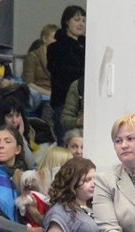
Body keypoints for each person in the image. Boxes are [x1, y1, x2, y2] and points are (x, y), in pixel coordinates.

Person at [47, 5, 85, 143]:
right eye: (77, 19)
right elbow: (60, 73)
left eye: (83, 20)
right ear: (66, 22)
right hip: (63, 101)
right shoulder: (55, 48)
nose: (81, 23)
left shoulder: (88, 45)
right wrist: (84, 73)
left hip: (84, 101)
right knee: (66, 143)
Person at [23, 23, 57, 128]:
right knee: (49, 106)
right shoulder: (32, 57)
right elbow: (29, 83)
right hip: (39, 94)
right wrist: (48, 93)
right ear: (44, 39)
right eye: (54, 38)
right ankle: (49, 135)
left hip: (55, 94)